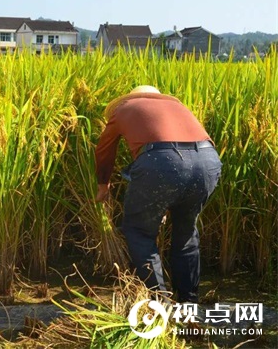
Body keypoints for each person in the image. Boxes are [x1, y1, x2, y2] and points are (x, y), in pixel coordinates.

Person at [94, 85, 222, 303]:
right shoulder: (178, 106)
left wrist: (103, 184)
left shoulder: (125, 108)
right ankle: (188, 304)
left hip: (162, 162)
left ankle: (159, 302)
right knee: (186, 233)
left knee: (138, 231)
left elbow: (104, 148)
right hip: (208, 161)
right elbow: (195, 148)